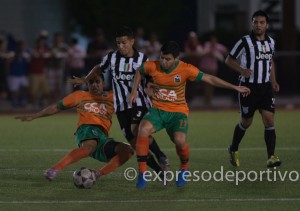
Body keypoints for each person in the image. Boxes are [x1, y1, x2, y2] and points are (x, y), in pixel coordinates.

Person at [128, 41, 250, 189]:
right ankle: (142, 173)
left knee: (179, 141)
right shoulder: (152, 66)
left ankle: (184, 167)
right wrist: (134, 91)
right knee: (142, 130)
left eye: (167, 59)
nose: (163, 62)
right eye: (162, 58)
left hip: (178, 113)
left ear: (176, 59)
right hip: (158, 110)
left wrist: (234, 87)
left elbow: (209, 78)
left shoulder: (186, 69)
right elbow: (139, 71)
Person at [69, 26, 169, 176]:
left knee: (137, 130)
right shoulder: (112, 58)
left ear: (132, 41)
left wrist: (153, 88)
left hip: (139, 102)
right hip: (121, 107)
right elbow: (98, 67)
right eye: (118, 43)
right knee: (136, 144)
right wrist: (85, 79)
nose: (121, 46)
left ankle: (160, 155)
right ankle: (160, 172)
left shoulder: (142, 59)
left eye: (124, 43)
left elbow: (150, 78)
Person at [15, 69, 134, 181]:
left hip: (102, 137)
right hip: (87, 129)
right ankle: (54, 170)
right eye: (91, 82)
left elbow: (134, 98)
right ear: (87, 84)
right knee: (89, 147)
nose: (94, 85)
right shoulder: (80, 95)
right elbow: (56, 107)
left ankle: (96, 175)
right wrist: (35, 116)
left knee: (127, 150)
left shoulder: (113, 96)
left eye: (97, 82)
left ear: (103, 83)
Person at [225, 10, 281, 168]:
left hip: (265, 87)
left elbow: (270, 62)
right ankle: (233, 148)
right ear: (252, 23)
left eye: (262, 22)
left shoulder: (271, 42)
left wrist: (274, 81)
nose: (258, 25)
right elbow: (228, 60)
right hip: (247, 88)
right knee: (246, 122)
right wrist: (242, 70)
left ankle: (271, 156)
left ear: (267, 25)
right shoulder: (244, 42)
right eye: (256, 22)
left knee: (269, 120)